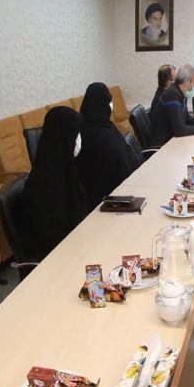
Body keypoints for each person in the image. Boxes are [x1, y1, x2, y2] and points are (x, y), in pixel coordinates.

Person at [24, 106, 88, 257]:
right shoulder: (43, 187)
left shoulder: (64, 169)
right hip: (62, 258)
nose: (79, 139)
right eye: (76, 134)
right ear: (64, 138)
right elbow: (57, 244)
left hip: (79, 243)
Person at [75, 82, 135, 209]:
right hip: (105, 202)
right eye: (108, 100)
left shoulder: (108, 126)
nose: (110, 104)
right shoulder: (85, 134)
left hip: (124, 191)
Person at [151, 64, 194, 147]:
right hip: (163, 145)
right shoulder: (172, 95)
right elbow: (179, 130)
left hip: (172, 140)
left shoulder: (181, 93)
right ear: (186, 82)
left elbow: (187, 119)